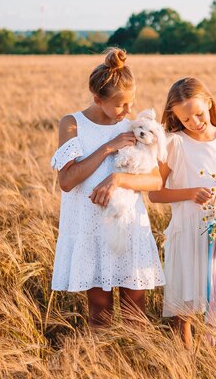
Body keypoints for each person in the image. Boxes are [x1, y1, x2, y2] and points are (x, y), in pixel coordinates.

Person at [50, 48, 165, 329]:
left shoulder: (133, 127)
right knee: (99, 311)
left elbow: (155, 181)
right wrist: (108, 148)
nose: (127, 112)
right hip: (88, 227)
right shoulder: (72, 124)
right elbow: (67, 181)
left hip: (126, 226)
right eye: (120, 105)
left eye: (131, 103)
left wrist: (118, 180)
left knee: (134, 309)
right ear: (97, 99)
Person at [149, 77, 216, 349]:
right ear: (175, 118)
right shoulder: (173, 144)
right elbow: (154, 193)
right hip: (188, 232)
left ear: (209, 103)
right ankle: (187, 364)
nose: (194, 122)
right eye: (185, 119)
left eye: (199, 113)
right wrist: (189, 193)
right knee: (185, 309)